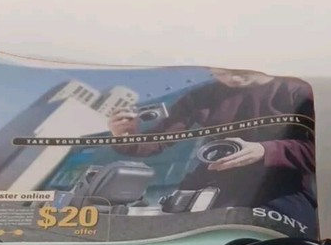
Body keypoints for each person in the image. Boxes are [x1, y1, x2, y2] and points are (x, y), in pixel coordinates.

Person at [108, 68, 316, 225]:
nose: (233, 80)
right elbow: (157, 141)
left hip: (281, 189)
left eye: (240, 72)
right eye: (221, 73)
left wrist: (265, 151)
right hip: (211, 186)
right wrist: (125, 136)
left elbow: (321, 154)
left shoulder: (299, 90)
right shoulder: (202, 96)